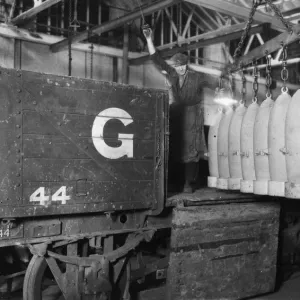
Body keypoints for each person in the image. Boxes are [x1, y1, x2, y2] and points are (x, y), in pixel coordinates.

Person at [143, 26, 216, 193]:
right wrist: (149, 39)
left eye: (183, 65)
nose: (180, 68)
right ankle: (172, 181)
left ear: (186, 65)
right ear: (174, 66)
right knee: (174, 146)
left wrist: (224, 87)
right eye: (178, 66)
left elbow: (215, 83)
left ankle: (189, 183)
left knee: (191, 150)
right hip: (177, 113)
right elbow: (156, 58)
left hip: (193, 115)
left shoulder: (197, 77)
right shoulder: (171, 74)